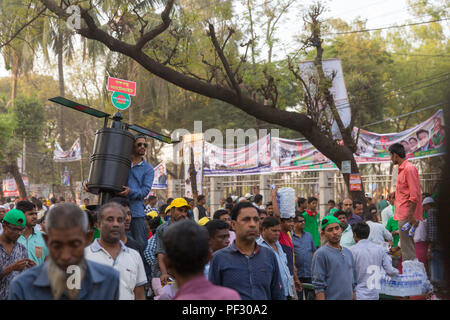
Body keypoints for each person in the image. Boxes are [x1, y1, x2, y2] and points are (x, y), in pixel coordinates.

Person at [8, 203, 120, 300]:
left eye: (74, 245)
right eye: (57, 246)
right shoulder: (23, 286)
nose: (66, 256)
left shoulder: (108, 281)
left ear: (88, 238)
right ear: (47, 241)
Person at [84, 135, 155, 248]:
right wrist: (88, 183)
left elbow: (145, 191)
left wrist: (130, 191)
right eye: (139, 144)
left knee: (140, 246)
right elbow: (103, 176)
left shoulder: (148, 169)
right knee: (115, 243)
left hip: (136, 214)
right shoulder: (120, 162)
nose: (143, 147)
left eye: (145, 145)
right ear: (131, 146)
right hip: (116, 213)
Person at [208, 202, 285, 300]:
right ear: (234, 225)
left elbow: (277, 293)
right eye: (246, 220)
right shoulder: (219, 258)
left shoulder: (269, 255)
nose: (252, 224)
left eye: (256, 220)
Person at [162, 220, 240, 300]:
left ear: (166, 262)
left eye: (228, 236)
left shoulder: (167, 296)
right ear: (209, 256)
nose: (227, 241)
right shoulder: (231, 296)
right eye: (222, 237)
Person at [84, 202, 147, 300]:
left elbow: (139, 294)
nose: (116, 224)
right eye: (110, 219)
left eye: (120, 220)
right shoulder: (82, 257)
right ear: (98, 224)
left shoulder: (134, 255)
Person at [389, 142, 423, 261]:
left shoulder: (409, 168)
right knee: (406, 246)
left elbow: (415, 194)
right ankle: (411, 274)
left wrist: (410, 215)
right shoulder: (401, 169)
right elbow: (406, 191)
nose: (390, 158)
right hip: (403, 214)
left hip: (407, 215)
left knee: (407, 248)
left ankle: (411, 276)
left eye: (390, 155)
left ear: (395, 155)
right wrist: (395, 193)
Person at [349, 222, 399, 300]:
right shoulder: (380, 249)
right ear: (368, 234)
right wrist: (400, 274)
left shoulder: (351, 251)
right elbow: (390, 271)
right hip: (374, 294)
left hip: (358, 294)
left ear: (354, 235)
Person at [312, 215, 357, 300]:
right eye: (330, 230)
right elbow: (319, 287)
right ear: (323, 233)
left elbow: (353, 284)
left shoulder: (348, 253)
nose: (335, 232)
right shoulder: (321, 254)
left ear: (341, 230)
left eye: (337, 228)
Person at [109, 197, 152, 285]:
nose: (128, 218)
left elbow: (139, 287)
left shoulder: (135, 248)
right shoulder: (99, 248)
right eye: (123, 214)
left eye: (129, 214)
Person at [154, 198, 190, 291]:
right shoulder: (162, 229)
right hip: (164, 274)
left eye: (185, 211)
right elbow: (160, 253)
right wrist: (164, 273)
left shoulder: (190, 229)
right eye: (180, 210)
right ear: (172, 211)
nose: (183, 214)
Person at [0, 209, 36, 299]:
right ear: (4, 226)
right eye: (15, 229)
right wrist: (11, 268)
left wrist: (33, 270)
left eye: (21, 230)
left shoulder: (21, 249)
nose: (19, 233)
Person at [257, 217, 294, 299]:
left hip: (287, 292)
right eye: (274, 231)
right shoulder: (257, 247)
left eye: (278, 231)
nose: (277, 233)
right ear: (264, 230)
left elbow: (285, 268)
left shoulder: (278, 245)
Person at [292, 212, 316, 300]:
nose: (303, 223)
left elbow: (313, 252)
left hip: (309, 273)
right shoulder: (290, 237)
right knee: (298, 297)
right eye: (300, 221)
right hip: (296, 275)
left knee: (311, 297)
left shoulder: (309, 236)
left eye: (303, 221)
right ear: (294, 223)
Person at [16, 201, 48, 265]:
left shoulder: (44, 237)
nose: (35, 217)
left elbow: (49, 264)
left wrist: (36, 269)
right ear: (21, 215)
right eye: (31, 214)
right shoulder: (12, 238)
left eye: (35, 214)